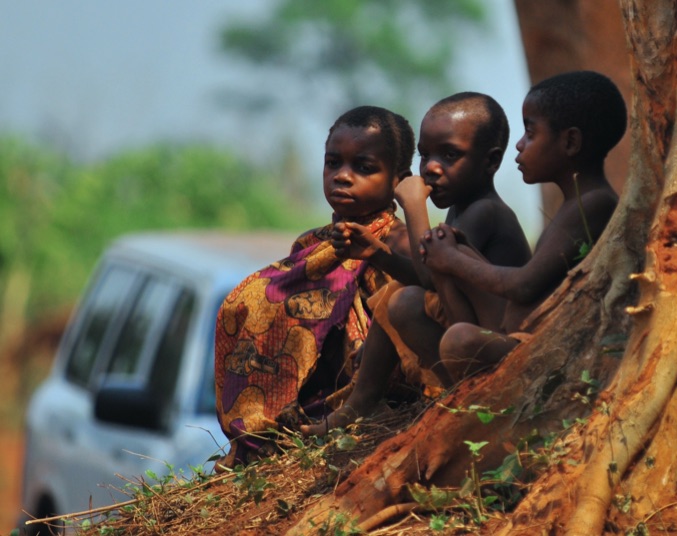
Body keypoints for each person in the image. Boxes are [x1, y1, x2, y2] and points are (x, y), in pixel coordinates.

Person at [301, 92, 532, 436]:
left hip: (496, 348)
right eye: (425, 155)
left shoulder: (486, 212)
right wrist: (378, 254)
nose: (432, 168)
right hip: (466, 332)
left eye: (450, 155)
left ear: (490, 161)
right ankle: (362, 404)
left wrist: (413, 206)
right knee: (402, 297)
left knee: (404, 295)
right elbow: (429, 282)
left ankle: (443, 400)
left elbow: (430, 271)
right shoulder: (461, 208)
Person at [214, 105, 416, 469]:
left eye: (364, 167)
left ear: (399, 181)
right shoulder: (310, 245)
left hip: (371, 404)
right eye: (333, 163)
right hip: (305, 415)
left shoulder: (399, 245)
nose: (342, 176)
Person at [418, 70, 627, 383]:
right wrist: (452, 254)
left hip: (546, 352)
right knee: (449, 248)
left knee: (460, 339)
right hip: (514, 333)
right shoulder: (574, 204)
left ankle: (463, 392)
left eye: (530, 133)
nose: (519, 144)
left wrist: (453, 259)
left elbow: (523, 286)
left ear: (570, 141)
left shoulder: (594, 204)